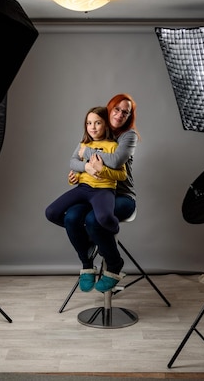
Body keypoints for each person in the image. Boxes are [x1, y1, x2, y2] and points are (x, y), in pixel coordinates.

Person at [46, 106, 128, 292]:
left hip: (103, 190)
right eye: (89, 123)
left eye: (97, 123)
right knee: (52, 212)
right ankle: (88, 252)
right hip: (83, 189)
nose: (92, 127)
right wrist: (77, 174)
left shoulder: (113, 146)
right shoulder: (84, 144)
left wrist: (100, 169)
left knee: (104, 219)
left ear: (105, 124)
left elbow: (122, 175)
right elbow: (73, 163)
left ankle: (114, 261)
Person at [65, 94, 139, 293]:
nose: (120, 114)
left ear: (129, 116)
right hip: (94, 193)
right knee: (71, 217)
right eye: (116, 109)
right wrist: (80, 173)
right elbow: (74, 160)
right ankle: (87, 263)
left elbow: (115, 161)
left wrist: (87, 154)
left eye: (126, 112)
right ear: (109, 109)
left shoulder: (128, 136)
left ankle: (114, 265)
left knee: (94, 220)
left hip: (122, 197)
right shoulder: (95, 129)